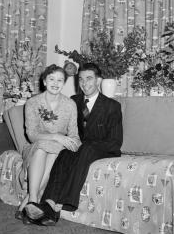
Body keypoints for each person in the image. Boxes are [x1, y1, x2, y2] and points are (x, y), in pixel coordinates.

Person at [26, 62, 123, 226]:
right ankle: (48, 202)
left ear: (98, 81)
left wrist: (84, 144)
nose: (85, 83)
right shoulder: (74, 101)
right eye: (81, 79)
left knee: (84, 148)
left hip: (105, 147)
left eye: (89, 79)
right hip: (81, 146)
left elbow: (115, 141)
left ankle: (60, 204)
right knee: (65, 152)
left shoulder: (112, 106)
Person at [17, 64, 81, 224]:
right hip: (35, 146)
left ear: (64, 83)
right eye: (51, 79)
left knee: (56, 150)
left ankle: (28, 206)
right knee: (41, 148)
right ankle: (33, 199)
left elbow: (74, 135)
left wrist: (70, 143)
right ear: (44, 81)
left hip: (57, 148)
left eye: (60, 80)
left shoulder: (70, 104)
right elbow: (32, 136)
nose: (55, 83)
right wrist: (56, 136)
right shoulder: (32, 102)